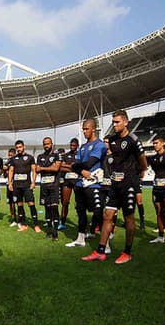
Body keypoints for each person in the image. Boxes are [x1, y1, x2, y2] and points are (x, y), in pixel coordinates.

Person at [82, 110, 147, 264]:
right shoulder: (112, 140)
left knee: (129, 218)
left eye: (117, 122)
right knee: (108, 215)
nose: (114, 125)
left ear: (125, 122)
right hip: (115, 184)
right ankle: (101, 251)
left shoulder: (133, 140)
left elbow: (143, 163)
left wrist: (134, 174)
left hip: (129, 184)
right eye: (113, 122)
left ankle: (127, 252)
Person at [65, 119, 106, 248]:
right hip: (80, 184)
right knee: (81, 212)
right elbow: (74, 166)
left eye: (86, 129)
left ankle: (106, 241)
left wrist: (78, 167)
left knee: (98, 212)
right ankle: (80, 239)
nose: (84, 131)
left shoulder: (99, 145)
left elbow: (89, 163)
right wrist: (81, 170)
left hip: (93, 184)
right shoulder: (82, 147)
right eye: (83, 129)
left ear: (94, 129)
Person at [8, 140, 41, 232]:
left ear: (24, 147)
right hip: (17, 186)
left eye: (20, 147)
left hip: (27, 185)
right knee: (19, 204)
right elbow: (11, 171)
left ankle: (36, 225)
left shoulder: (30, 158)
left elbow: (34, 170)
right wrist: (10, 183)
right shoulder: (13, 159)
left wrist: (33, 182)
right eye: (17, 148)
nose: (19, 149)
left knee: (31, 204)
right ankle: (23, 224)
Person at [36, 137, 63, 240]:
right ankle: (49, 229)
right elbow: (37, 169)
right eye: (44, 144)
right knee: (47, 208)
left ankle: (55, 232)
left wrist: (43, 168)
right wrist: (47, 168)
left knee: (54, 207)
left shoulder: (57, 155)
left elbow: (56, 168)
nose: (46, 145)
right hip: (44, 186)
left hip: (54, 186)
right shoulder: (40, 156)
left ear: (52, 144)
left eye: (48, 143)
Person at [59, 138, 79, 230]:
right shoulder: (65, 155)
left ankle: (81, 222)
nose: (72, 147)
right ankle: (62, 222)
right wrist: (73, 167)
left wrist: (68, 166)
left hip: (77, 181)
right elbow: (61, 167)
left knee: (79, 203)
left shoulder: (80, 155)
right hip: (67, 181)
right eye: (71, 145)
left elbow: (81, 167)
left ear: (77, 146)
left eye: (74, 145)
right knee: (65, 202)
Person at [3, 148, 17, 227]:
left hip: (17, 185)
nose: (10, 157)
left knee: (18, 203)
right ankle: (14, 219)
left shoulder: (17, 162)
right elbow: (5, 176)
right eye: (9, 155)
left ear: (14, 155)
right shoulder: (7, 163)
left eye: (11, 155)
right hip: (9, 185)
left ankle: (21, 219)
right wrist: (4, 171)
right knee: (11, 203)